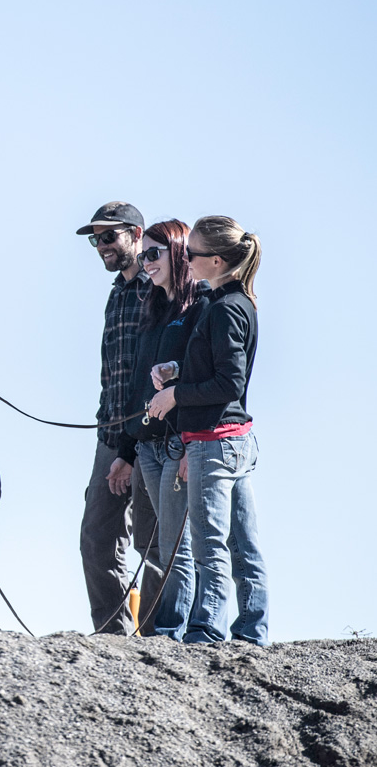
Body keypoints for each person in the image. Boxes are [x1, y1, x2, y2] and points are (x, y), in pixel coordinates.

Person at [147, 215, 269, 646]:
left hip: (214, 445)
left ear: (216, 261)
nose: (186, 259)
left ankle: (206, 631)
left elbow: (228, 383)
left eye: (192, 253)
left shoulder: (223, 309)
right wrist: (178, 369)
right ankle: (253, 630)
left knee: (210, 546)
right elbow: (222, 370)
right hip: (236, 440)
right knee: (243, 544)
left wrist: (175, 396)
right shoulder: (236, 304)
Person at [109, 219, 208, 640]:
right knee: (163, 545)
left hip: (179, 443)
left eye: (154, 253)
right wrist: (126, 451)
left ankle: (171, 630)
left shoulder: (200, 305)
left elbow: (207, 376)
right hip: (147, 446)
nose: (146, 262)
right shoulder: (154, 308)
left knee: (177, 547)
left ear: (178, 252)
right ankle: (164, 629)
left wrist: (191, 445)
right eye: (144, 254)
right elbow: (136, 387)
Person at [76, 202, 162, 635]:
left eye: (109, 236)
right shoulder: (117, 293)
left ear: (136, 234)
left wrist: (130, 448)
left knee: (155, 543)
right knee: (96, 539)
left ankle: (157, 636)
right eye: (96, 239)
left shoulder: (159, 291)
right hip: (109, 435)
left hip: (149, 439)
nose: (101, 246)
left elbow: (152, 376)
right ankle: (113, 638)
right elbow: (115, 373)